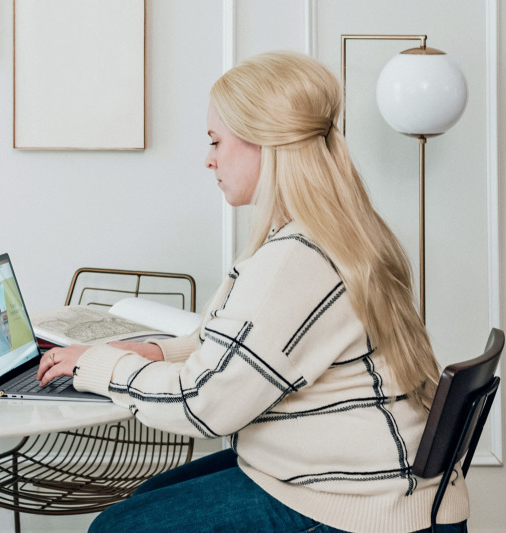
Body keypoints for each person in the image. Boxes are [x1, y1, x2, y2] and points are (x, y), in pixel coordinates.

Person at [36, 51, 469, 533]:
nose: (208, 159)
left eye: (216, 141)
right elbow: (243, 348)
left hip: (360, 505)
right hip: (362, 482)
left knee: (116, 529)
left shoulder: (298, 260)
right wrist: (156, 351)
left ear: (265, 143)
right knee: (145, 501)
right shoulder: (331, 234)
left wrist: (93, 365)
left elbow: (203, 405)